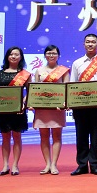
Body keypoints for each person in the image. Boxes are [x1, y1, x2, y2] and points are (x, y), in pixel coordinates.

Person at [70, 34, 97, 176]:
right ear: (83, 44)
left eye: (93, 42)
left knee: (95, 136)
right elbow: (72, 85)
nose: (90, 44)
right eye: (87, 42)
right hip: (80, 105)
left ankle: (95, 164)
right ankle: (82, 165)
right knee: (81, 135)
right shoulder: (77, 63)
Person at [32, 45, 69, 175]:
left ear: (58, 55)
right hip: (42, 109)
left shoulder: (63, 71)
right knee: (44, 136)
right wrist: (32, 104)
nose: (51, 55)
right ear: (45, 55)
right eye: (49, 53)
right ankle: (47, 164)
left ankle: (54, 164)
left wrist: (64, 103)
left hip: (57, 108)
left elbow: (66, 89)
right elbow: (34, 90)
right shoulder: (39, 71)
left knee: (57, 136)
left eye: (54, 53)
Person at [0, 46, 31, 176]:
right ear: (7, 56)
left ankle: (15, 165)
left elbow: (30, 92)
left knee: (16, 136)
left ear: (21, 57)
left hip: (18, 110)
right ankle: (5, 165)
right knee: (5, 137)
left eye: (16, 54)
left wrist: (23, 104)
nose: (13, 56)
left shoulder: (25, 74)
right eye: (11, 54)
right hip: (3, 110)